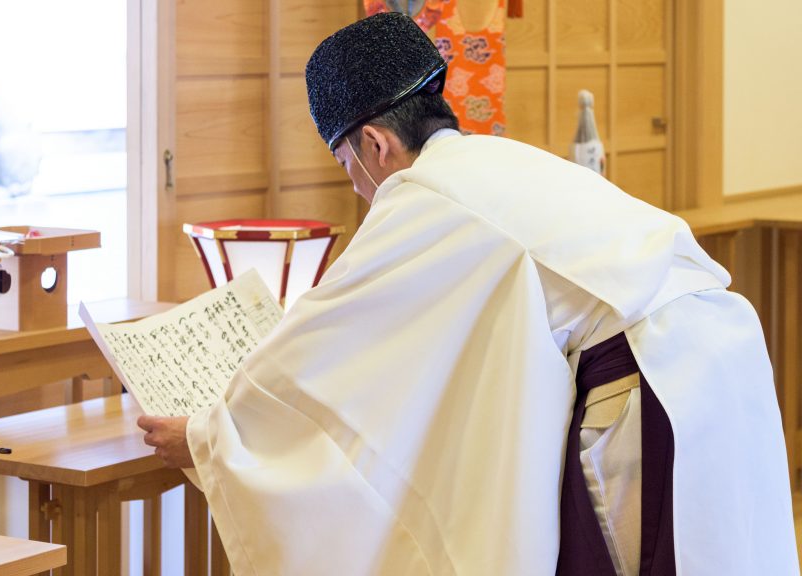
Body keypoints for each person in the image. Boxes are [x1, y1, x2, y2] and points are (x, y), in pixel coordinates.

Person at [138, 12, 798, 575]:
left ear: (374, 142)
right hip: (721, 358)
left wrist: (206, 436)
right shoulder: (496, 162)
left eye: (347, 166)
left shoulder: (422, 197)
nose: (357, 184)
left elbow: (313, 352)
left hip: (650, 390)